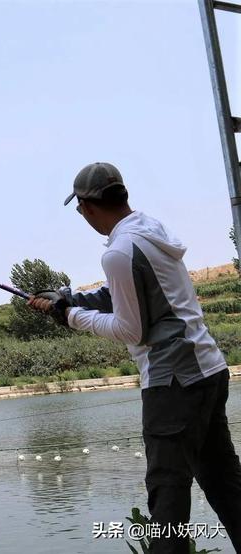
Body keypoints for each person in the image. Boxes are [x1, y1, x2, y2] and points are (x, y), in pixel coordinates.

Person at [28, 162, 241, 553]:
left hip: (173, 383)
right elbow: (131, 293)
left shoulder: (119, 251)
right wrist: (70, 298)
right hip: (208, 370)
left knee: (167, 498)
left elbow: (131, 329)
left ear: (89, 208)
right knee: (226, 487)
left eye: (79, 210)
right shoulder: (149, 231)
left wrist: (72, 317)